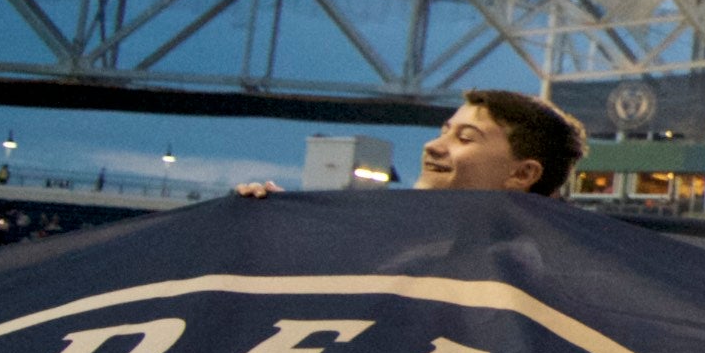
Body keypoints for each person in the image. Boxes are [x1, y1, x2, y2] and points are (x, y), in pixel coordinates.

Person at [236, 90, 587, 199]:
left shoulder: (533, 277)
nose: (433, 146)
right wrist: (272, 222)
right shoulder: (384, 237)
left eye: (465, 138)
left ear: (523, 173)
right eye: (444, 131)